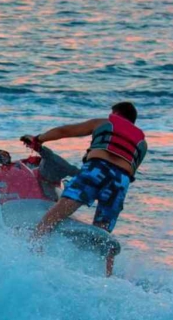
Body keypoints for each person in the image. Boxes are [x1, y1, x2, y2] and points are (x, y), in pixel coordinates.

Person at [22, 102, 147, 276]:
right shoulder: (142, 144)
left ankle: (32, 247)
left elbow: (65, 131)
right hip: (121, 181)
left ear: (116, 114)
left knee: (60, 210)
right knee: (102, 233)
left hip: (97, 168)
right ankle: (106, 277)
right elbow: (131, 169)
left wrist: (38, 139)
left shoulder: (104, 123)